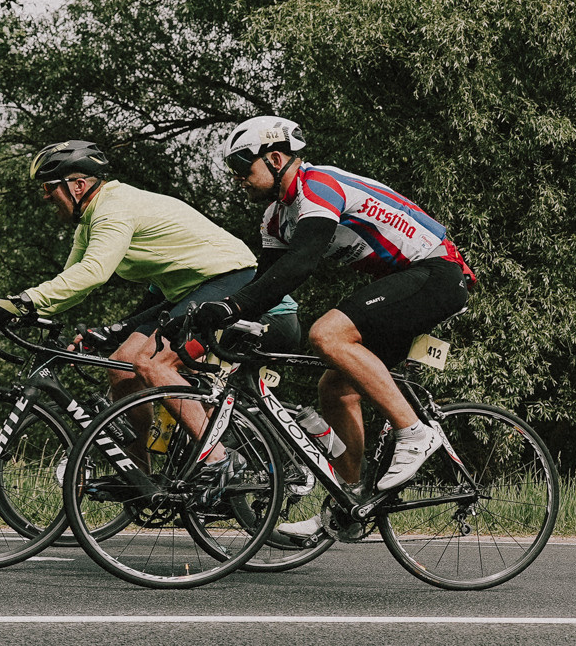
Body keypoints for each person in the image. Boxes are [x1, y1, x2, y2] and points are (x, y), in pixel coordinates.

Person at [187, 117, 473, 523]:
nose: (240, 180)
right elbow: (270, 286)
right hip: (402, 282)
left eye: (243, 169)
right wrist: (216, 320)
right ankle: (351, 501)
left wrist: (232, 306)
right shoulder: (275, 218)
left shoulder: (318, 186)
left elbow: (301, 263)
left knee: (327, 334)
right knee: (335, 386)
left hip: (437, 272)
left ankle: (414, 432)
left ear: (274, 158)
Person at [0, 140, 290, 445]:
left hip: (231, 278)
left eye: (49, 187)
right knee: (121, 365)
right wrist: (18, 312)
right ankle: (140, 487)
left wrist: (21, 302)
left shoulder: (114, 209)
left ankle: (217, 461)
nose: (46, 197)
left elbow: (93, 273)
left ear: (77, 185)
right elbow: (70, 283)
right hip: (191, 290)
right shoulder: (92, 218)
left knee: (152, 365)